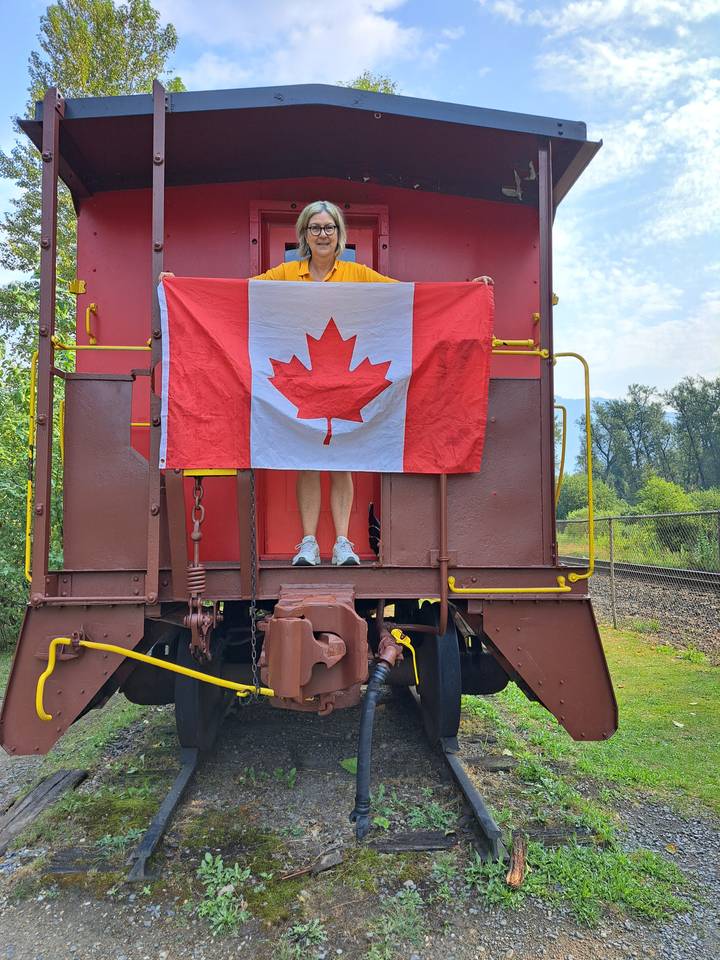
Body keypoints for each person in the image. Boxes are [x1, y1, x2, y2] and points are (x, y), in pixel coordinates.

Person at [159, 199, 493, 568]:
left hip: (346, 386)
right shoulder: (285, 274)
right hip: (302, 384)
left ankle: (343, 544)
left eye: (329, 228)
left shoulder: (359, 275)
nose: (322, 234)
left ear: (339, 235)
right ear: (304, 235)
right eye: (315, 228)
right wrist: (182, 290)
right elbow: (241, 296)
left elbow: (403, 299)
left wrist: (467, 293)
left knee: (342, 462)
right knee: (306, 460)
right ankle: (308, 544)